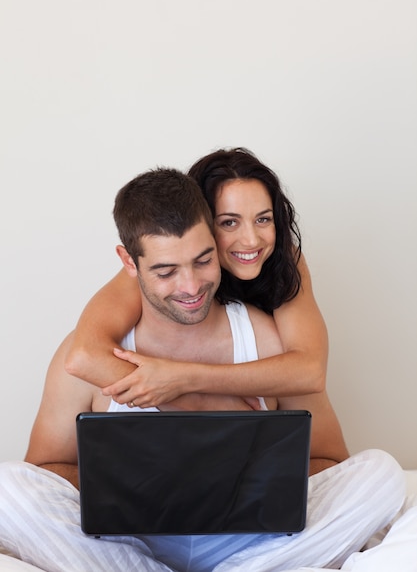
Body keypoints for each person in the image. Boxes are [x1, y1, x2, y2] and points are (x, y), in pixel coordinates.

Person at [0, 168, 405, 572]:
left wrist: (257, 477)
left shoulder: (268, 341)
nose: (190, 286)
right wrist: (135, 484)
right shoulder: (91, 351)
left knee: (381, 476)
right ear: (129, 261)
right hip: (132, 543)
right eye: (165, 271)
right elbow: (44, 474)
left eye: (203, 260)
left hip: (247, 544)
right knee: (8, 488)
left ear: (215, 242)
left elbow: (331, 462)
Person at [65, 148, 328, 409]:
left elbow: (310, 371)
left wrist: (184, 378)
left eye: (263, 219)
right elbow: (85, 354)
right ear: (201, 224)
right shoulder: (148, 268)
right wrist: (208, 406)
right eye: (229, 222)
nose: (251, 240)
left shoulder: (282, 257)